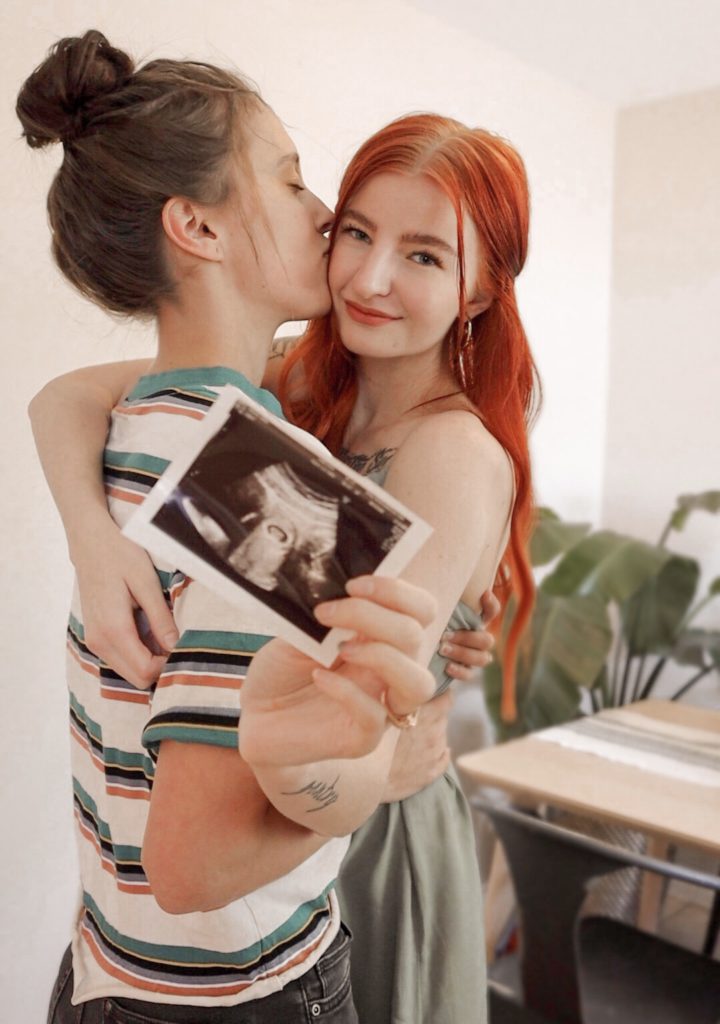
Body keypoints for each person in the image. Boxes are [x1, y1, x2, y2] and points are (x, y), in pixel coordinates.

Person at [27, 40, 537, 1024]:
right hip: (224, 977)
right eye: (303, 188)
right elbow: (195, 860)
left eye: (424, 253)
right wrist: (387, 757)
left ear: (477, 289)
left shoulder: (172, 428)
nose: (333, 233)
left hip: (119, 962)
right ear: (197, 227)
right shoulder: (271, 469)